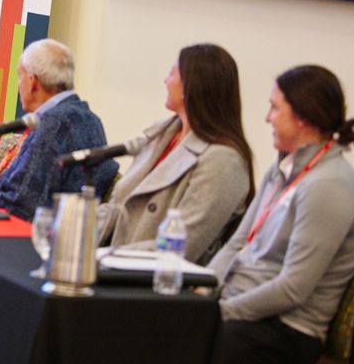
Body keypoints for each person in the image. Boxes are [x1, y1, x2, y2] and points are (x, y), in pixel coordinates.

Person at [209, 65, 354, 364]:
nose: (268, 117)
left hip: (285, 330)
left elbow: (293, 288)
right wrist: (204, 287)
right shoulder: (282, 169)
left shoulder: (327, 185)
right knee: (165, 325)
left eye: (275, 108)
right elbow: (239, 240)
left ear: (303, 118)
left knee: (189, 342)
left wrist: (220, 311)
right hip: (245, 309)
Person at [98, 44, 253, 265]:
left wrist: (106, 257)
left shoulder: (223, 160)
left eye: (172, 73)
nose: (165, 80)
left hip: (160, 284)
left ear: (191, 85)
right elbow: (118, 206)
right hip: (114, 266)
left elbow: (183, 245)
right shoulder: (161, 134)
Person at [0, 39, 118, 221]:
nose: (19, 84)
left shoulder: (54, 124)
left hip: (33, 238)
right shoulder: (89, 118)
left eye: (20, 75)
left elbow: (21, 204)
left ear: (32, 81)